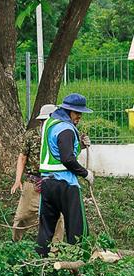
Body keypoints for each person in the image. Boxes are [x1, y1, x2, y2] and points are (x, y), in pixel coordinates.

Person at [37, 93, 94, 256]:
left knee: (46, 229)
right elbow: (67, 159)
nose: (79, 117)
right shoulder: (66, 129)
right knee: (77, 228)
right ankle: (79, 267)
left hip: (47, 184)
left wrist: (81, 145)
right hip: (66, 184)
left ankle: (40, 265)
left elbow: (57, 150)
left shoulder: (50, 124)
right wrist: (85, 173)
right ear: (68, 111)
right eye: (77, 113)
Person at [10, 104, 64, 242]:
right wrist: (18, 180)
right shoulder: (31, 135)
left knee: (57, 218)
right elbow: (22, 157)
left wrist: (81, 145)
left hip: (53, 182)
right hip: (33, 183)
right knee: (21, 217)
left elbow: (68, 154)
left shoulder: (60, 135)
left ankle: (56, 250)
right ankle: (15, 244)